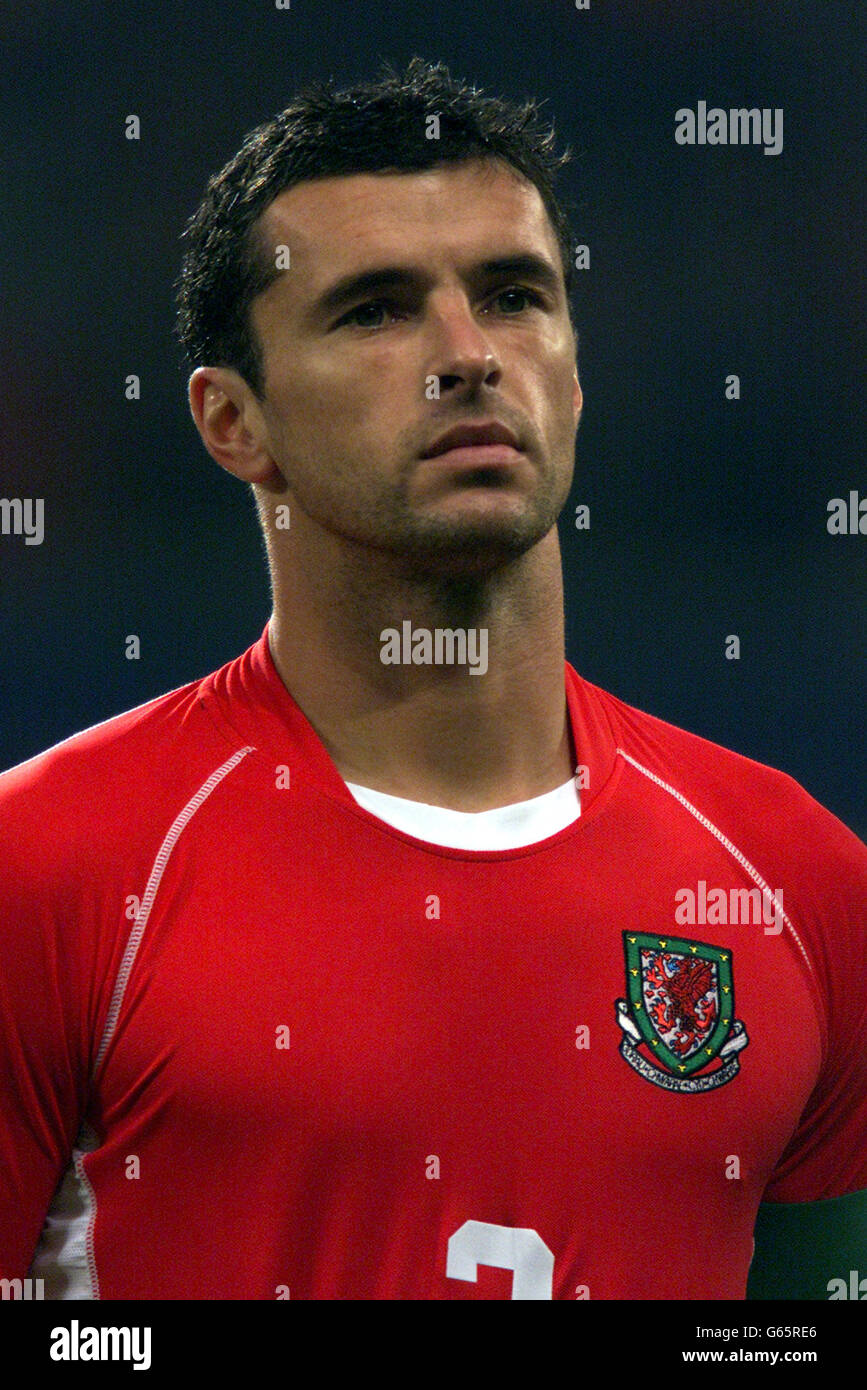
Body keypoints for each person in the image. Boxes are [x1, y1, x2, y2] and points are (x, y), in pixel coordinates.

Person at [1, 59, 864, 1301]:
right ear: (231, 420)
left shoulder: (799, 883)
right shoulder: (51, 872)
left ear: (572, 375)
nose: (467, 355)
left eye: (514, 296)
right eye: (375, 310)